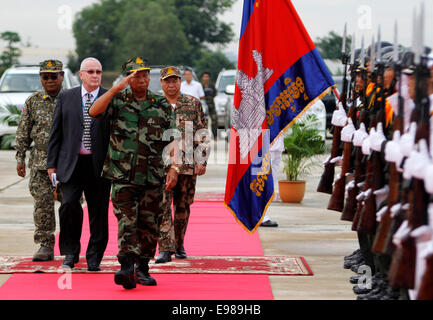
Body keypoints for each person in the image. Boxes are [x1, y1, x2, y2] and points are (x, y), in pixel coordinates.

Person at [88, 58, 179, 289]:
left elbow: (174, 137)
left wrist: (174, 168)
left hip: (152, 176)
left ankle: (143, 268)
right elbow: (93, 111)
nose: (142, 79)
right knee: (127, 221)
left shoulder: (160, 103)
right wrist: (117, 87)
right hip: (122, 175)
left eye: (145, 75)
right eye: (137, 76)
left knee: (149, 224)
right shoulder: (117, 100)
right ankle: (127, 266)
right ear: (128, 78)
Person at [46, 57, 111, 271]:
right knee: (68, 206)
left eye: (98, 72)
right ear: (81, 74)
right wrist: (51, 164)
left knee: (98, 212)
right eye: (90, 71)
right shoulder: (66, 97)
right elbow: (56, 133)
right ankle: (70, 252)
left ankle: (94, 256)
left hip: (98, 165)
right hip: (70, 164)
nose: (95, 75)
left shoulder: (109, 97)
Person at [155, 66, 209, 263]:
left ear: (180, 82)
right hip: (161, 166)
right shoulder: (155, 104)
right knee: (161, 206)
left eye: (175, 80)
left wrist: (201, 160)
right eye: (167, 81)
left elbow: (202, 132)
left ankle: (179, 244)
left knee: (182, 206)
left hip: (187, 165)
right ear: (161, 83)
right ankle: (164, 247)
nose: (171, 84)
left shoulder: (192, 103)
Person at [15, 60, 64, 261]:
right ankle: (45, 245)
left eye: (54, 76)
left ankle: (71, 244)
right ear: (40, 78)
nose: (50, 80)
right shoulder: (33, 101)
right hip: (40, 163)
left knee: (70, 205)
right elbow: (23, 131)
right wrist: (20, 157)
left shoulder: (71, 98)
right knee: (43, 205)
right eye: (45, 76)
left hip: (66, 163)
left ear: (61, 76)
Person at [201, 71, 218, 139]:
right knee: (204, 121)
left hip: (211, 105)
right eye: (204, 77)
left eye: (207, 77)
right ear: (202, 78)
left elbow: (214, 94)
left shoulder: (212, 85)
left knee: (214, 120)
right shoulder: (200, 86)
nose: (206, 78)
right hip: (203, 105)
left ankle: (215, 135)